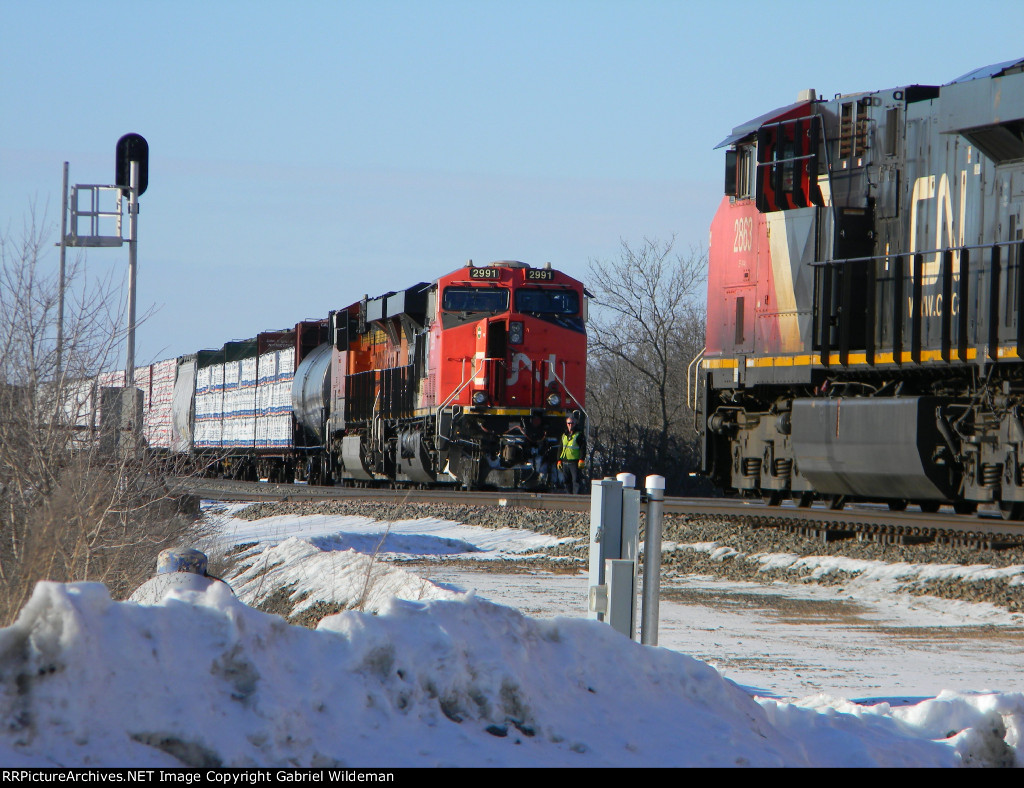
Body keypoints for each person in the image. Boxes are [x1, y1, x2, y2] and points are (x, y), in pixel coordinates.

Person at [557, 415, 586, 494]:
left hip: (574, 462)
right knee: (566, 481)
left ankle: (576, 498)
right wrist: (559, 460)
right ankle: (569, 497)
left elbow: (583, 448)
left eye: (572, 423)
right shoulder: (564, 435)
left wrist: (581, 459)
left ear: (575, 423)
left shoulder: (579, 435)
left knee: (576, 480)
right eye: (568, 423)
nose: (570, 425)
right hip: (565, 462)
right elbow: (560, 448)